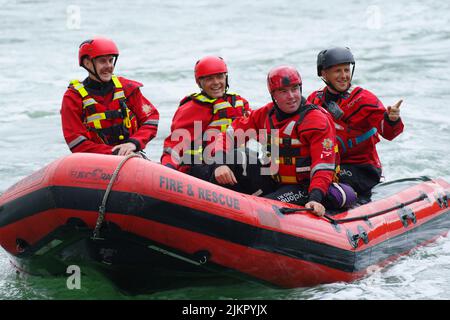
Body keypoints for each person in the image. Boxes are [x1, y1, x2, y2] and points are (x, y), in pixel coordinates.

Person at [213, 66, 356, 216]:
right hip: (273, 179)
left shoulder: (316, 120)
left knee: (263, 210)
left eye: (295, 89)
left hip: (304, 187)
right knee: (235, 157)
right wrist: (220, 164)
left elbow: (323, 166)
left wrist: (316, 198)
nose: (291, 96)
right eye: (283, 91)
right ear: (273, 95)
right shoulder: (265, 114)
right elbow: (227, 135)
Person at [307, 47, 404, 200]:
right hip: (328, 163)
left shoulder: (364, 99)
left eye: (346, 70)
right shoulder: (314, 99)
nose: (344, 76)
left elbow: (389, 133)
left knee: (326, 183)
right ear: (324, 74)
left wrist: (392, 120)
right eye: (337, 71)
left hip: (362, 168)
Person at [61, 37, 159, 156]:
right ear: (87, 63)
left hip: (132, 155)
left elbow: (151, 118)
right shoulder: (73, 97)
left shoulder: (127, 88)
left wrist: (133, 143)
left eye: (111, 60)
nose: (109, 66)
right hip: (96, 162)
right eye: (102, 61)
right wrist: (114, 153)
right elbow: (75, 141)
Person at [161, 56, 251, 180]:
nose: (216, 82)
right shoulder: (192, 108)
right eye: (209, 79)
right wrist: (168, 170)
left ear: (226, 78)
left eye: (220, 77)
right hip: (200, 169)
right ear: (199, 83)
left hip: (231, 163)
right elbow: (175, 145)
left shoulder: (240, 103)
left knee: (248, 157)